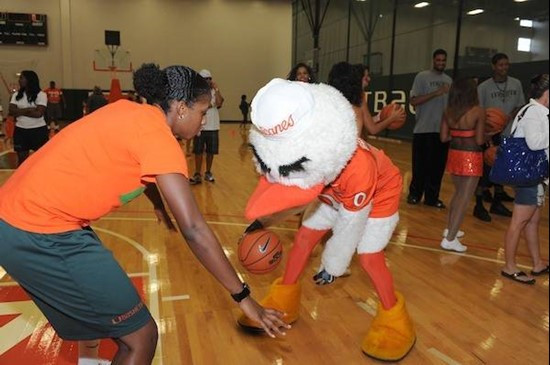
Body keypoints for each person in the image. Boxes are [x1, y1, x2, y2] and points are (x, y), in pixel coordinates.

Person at [0, 64, 288, 365]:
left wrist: (158, 203)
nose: (204, 122)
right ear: (179, 108)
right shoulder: (159, 138)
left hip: (18, 214)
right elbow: (194, 229)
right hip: (38, 230)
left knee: (96, 313)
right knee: (141, 338)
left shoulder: (131, 111)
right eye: (202, 113)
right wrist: (243, 298)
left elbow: (140, 164)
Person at [238, 79, 415, 362]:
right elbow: (294, 193)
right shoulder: (308, 152)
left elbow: (350, 226)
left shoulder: (360, 168)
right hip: (332, 188)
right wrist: (262, 223)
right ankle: (285, 299)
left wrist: (333, 266)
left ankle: (394, 318)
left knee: (369, 257)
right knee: (304, 238)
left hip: (377, 193)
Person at [501, 74, 549, 285]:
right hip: (528, 176)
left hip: (534, 174)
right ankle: (509, 267)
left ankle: (538, 263)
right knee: (519, 221)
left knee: (532, 220)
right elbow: (535, 143)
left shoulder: (536, 111)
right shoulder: (534, 113)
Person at [474, 53, 526, 222]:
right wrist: (487, 131)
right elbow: (479, 112)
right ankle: (479, 205)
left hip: (509, 132)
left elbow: (520, 105)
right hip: (490, 134)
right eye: (501, 65)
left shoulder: (516, 83)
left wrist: (508, 117)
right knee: (485, 171)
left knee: (501, 171)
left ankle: (497, 202)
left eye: (506, 64)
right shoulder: (483, 87)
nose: (504, 68)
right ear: (493, 66)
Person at [439, 78, 487, 252]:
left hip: (454, 154)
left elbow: (444, 137)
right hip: (471, 157)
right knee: (464, 198)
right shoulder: (478, 112)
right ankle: (450, 239)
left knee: (458, 194)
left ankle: (451, 228)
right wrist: (490, 134)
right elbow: (480, 140)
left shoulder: (448, 111)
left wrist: (459, 134)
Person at [407, 49, 452, 208]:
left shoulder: (448, 80)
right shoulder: (422, 77)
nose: (441, 63)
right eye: (438, 60)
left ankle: (432, 198)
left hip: (441, 132)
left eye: (443, 60)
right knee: (420, 166)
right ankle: (414, 195)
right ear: (433, 60)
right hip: (423, 129)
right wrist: (436, 93)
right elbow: (413, 101)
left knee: (437, 168)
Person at [189, 69, 224, 184]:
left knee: (211, 151)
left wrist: (217, 89)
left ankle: (208, 172)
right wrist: (209, 104)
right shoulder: (196, 92)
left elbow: (219, 103)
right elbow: (200, 106)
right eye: (205, 79)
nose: (208, 81)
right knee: (198, 151)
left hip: (213, 126)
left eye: (209, 79)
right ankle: (197, 173)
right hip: (200, 126)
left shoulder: (214, 92)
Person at [8, 70, 49, 167]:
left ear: (29, 80)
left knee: (42, 159)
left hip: (38, 131)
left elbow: (39, 113)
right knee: (22, 161)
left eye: (22, 78)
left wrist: (19, 112)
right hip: (20, 131)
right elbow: (11, 111)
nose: (19, 80)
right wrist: (28, 110)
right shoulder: (16, 95)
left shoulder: (41, 95)